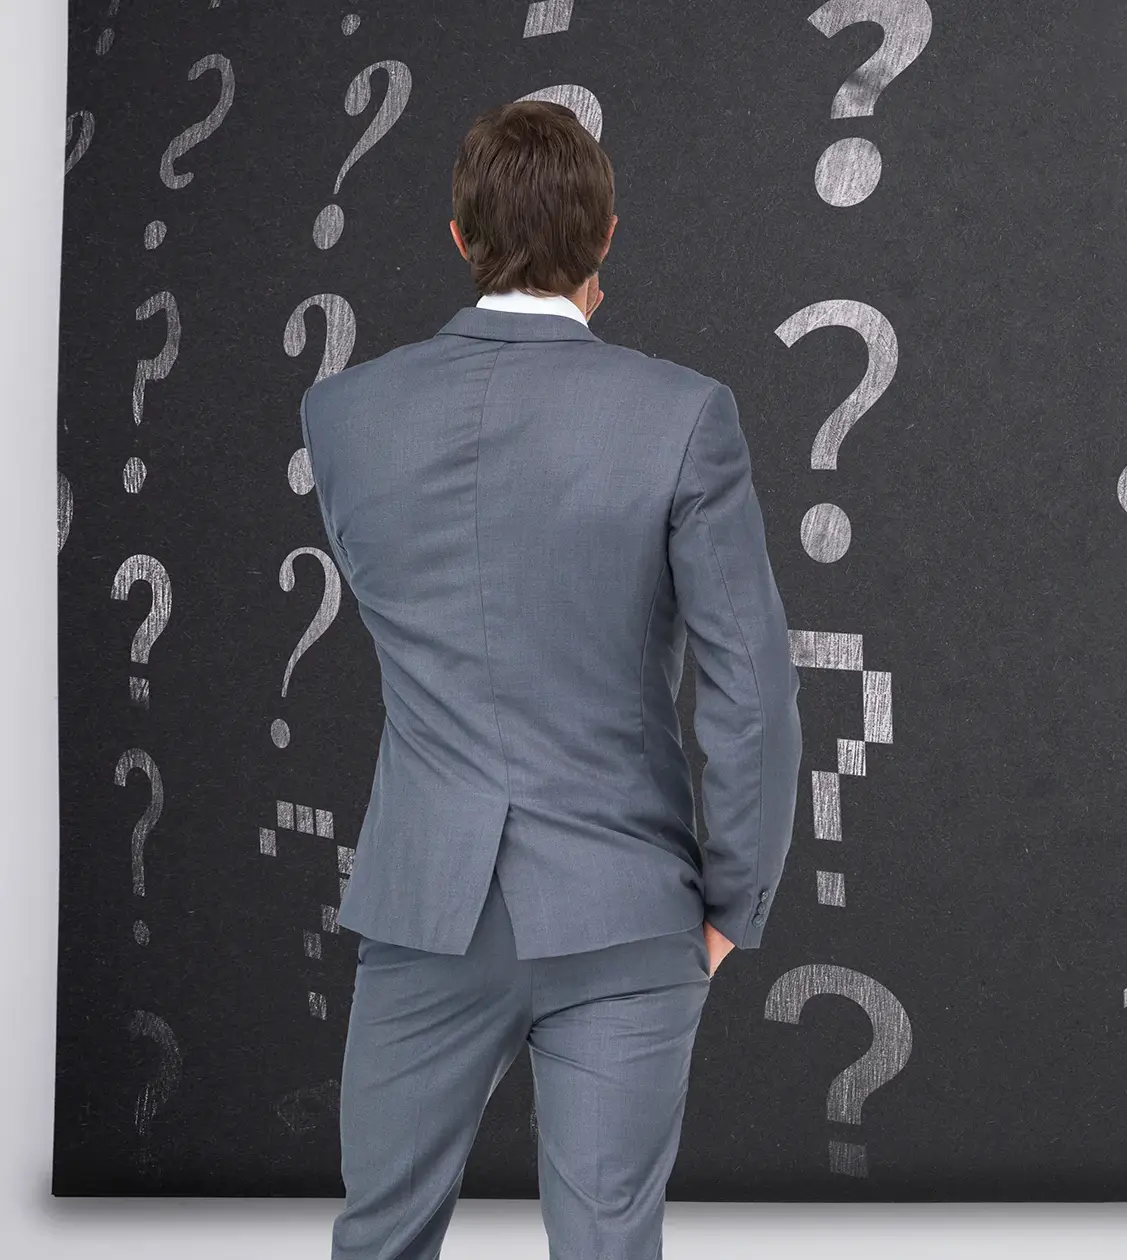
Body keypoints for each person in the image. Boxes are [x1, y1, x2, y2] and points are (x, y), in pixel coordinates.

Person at [300, 100, 803, 1258]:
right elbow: (753, 689)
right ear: (608, 238)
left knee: (379, 1238)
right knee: (608, 1244)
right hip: (625, 906)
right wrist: (735, 900)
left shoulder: (345, 416)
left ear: (460, 237)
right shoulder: (683, 415)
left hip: (424, 906)